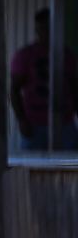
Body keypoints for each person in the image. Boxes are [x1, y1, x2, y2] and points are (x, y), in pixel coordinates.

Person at [10, 8, 78, 151]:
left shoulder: (67, 55)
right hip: (35, 124)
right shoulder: (25, 55)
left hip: (64, 123)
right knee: (32, 166)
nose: (45, 33)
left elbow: (74, 88)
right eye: (42, 28)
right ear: (37, 29)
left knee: (69, 165)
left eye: (49, 28)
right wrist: (22, 120)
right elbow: (14, 89)